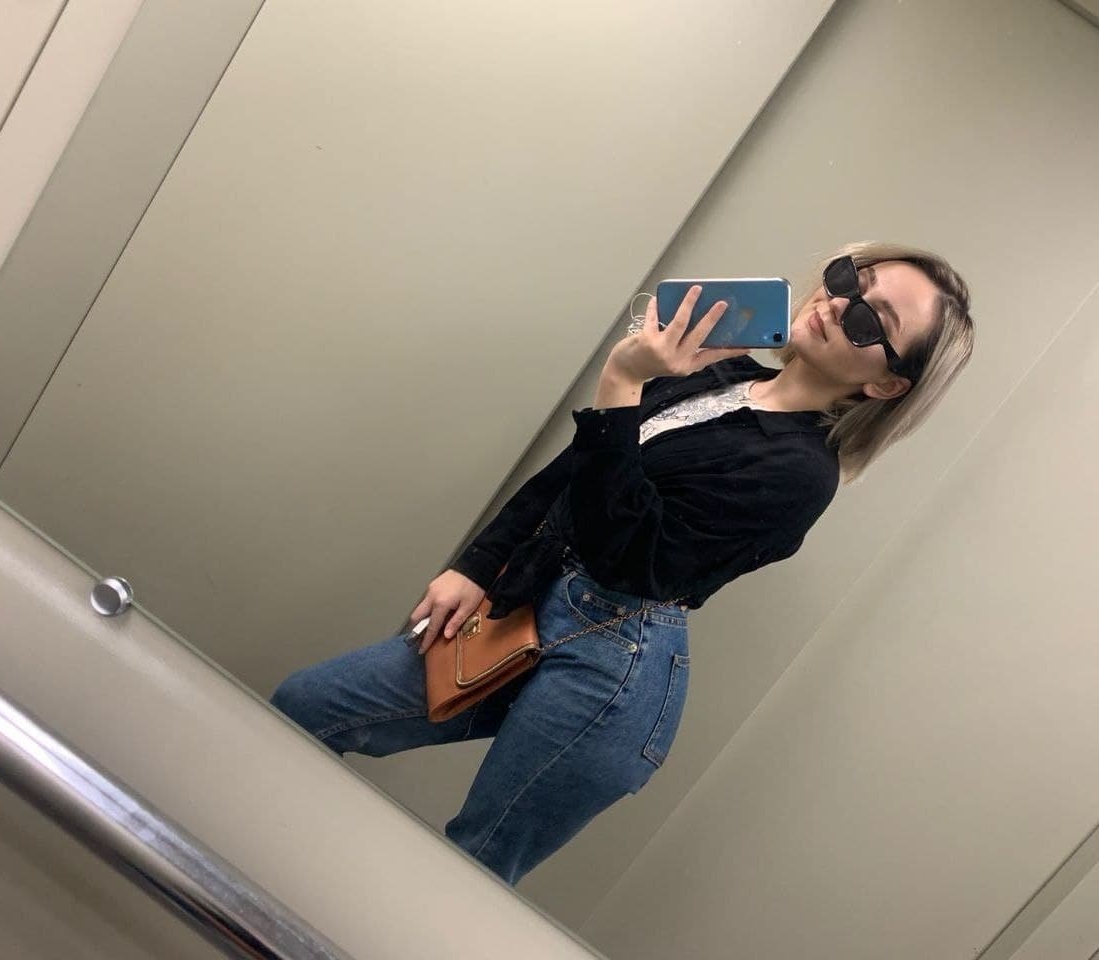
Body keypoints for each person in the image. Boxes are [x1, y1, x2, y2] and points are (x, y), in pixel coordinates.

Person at [269, 240, 975, 887]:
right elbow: (573, 475)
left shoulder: (799, 475)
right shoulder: (723, 373)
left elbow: (628, 557)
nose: (840, 304)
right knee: (308, 706)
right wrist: (478, 566)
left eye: (871, 321)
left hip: (614, 667)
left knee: (470, 866)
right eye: (851, 279)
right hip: (532, 599)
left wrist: (622, 379)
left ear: (886, 386)